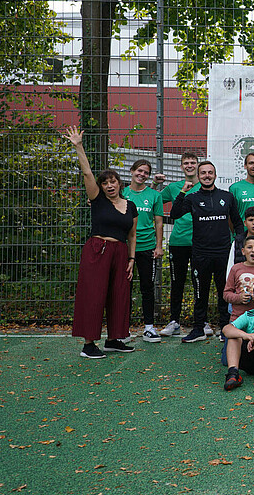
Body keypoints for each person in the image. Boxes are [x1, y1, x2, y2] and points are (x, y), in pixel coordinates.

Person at [65, 126, 138, 359]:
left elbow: (132, 235)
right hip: (98, 250)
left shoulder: (130, 206)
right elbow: (87, 173)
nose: (109, 185)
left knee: (119, 294)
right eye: (105, 182)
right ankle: (88, 345)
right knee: (94, 294)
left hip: (120, 252)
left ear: (120, 184)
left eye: (113, 181)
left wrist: (131, 259)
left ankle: (114, 340)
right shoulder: (97, 200)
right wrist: (78, 145)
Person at [170, 160, 244, 343]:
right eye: (203, 173)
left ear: (215, 175)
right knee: (200, 293)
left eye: (210, 172)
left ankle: (225, 328)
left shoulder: (226, 197)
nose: (207, 176)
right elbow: (174, 214)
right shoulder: (192, 198)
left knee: (224, 292)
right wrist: (182, 192)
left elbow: (238, 223)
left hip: (223, 254)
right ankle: (198, 329)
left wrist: (239, 244)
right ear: (198, 176)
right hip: (200, 254)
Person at [159, 150, 201, 338]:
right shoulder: (174, 187)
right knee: (177, 283)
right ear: (181, 166)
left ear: (198, 165)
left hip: (201, 242)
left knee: (200, 282)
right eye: (186, 163)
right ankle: (174, 321)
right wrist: (154, 184)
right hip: (178, 242)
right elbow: (154, 201)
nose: (190, 165)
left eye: (193, 162)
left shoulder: (205, 185)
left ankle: (202, 321)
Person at [123, 158, 164, 343]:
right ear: (132, 171)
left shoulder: (154, 195)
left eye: (146, 173)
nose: (142, 175)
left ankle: (149, 327)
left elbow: (158, 222)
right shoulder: (122, 193)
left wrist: (158, 246)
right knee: (125, 288)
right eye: (139, 171)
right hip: (125, 248)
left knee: (147, 288)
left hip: (147, 247)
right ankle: (123, 329)